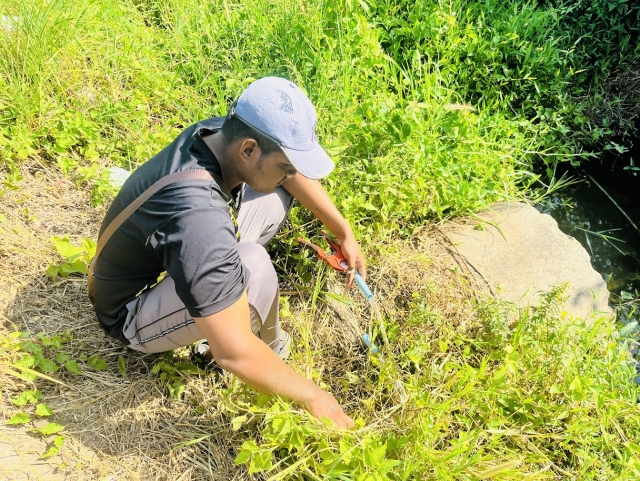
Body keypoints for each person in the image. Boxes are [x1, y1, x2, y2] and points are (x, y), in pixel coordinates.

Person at [91, 77, 365, 428]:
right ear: (249, 150)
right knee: (253, 266)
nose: (293, 174)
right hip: (131, 313)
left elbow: (289, 178)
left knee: (276, 194)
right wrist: (313, 396)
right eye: (288, 165)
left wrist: (342, 230)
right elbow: (233, 353)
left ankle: (217, 302)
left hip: (179, 254)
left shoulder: (222, 134)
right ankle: (270, 347)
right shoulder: (195, 214)